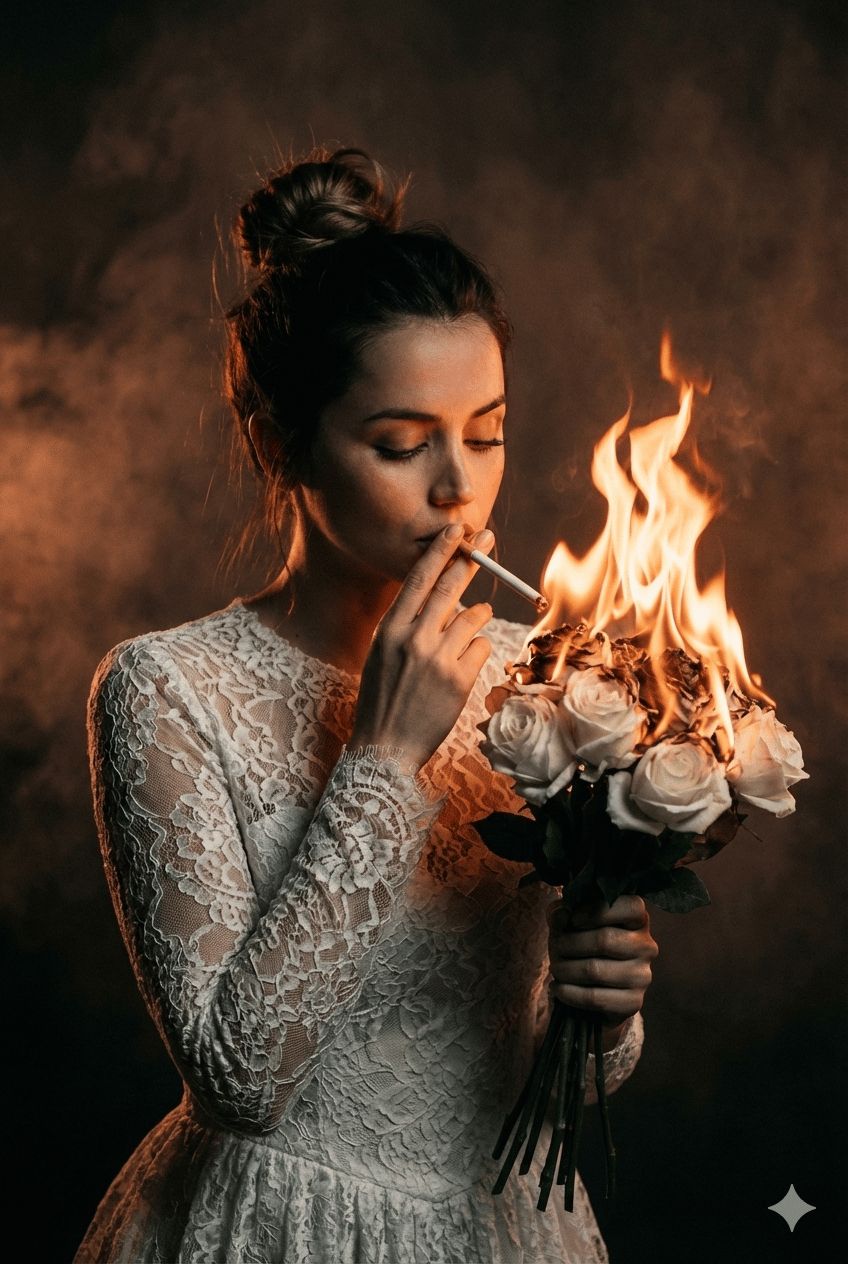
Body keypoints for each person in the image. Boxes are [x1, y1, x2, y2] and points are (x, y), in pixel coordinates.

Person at [75, 147, 658, 1264]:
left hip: (504, 1228)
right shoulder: (166, 690)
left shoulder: (538, 677)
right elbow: (242, 1079)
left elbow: (538, 1056)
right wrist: (384, 755)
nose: (458, 486)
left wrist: (603, 1006)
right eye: (401, 444)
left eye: (486, 432)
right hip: (281, 1228)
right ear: (277, 442)